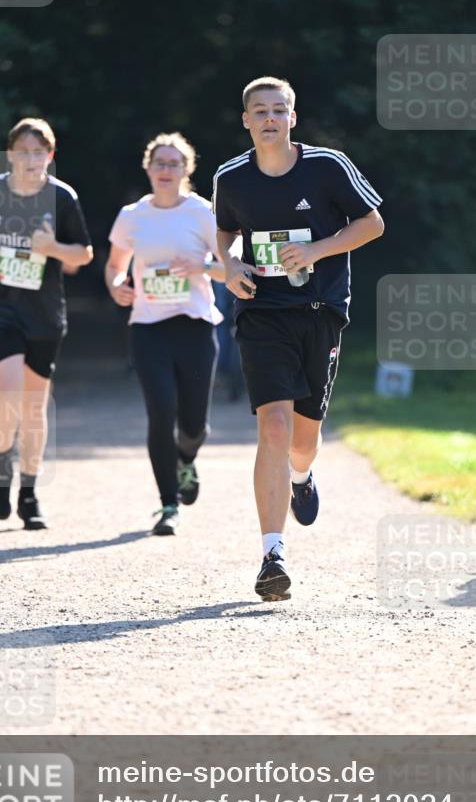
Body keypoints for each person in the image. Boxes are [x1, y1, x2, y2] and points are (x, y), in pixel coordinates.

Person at [213, 76, 384, 601]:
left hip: (320, 311)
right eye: (259, 111)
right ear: (245, 120)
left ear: (293, 117)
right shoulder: (231, 177)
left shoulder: (327, 166)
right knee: (274, 425)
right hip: (262, 313)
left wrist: (316, 251)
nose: (269, 118)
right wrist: (230, 263)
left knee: (303, 440)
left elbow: (372, 223)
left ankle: (302, 476)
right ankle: (272, 555)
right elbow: (223, 232)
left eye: (278, 109)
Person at [0, 117, 93, 529]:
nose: (32, 160)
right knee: (7, 392)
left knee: (33, 407)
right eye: (23, 152)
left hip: (45, 315)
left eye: (40, 152)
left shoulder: (61, 197)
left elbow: (83, 253)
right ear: (10, 154)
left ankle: (29, 493)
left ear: (50, 156)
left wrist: (53, 247)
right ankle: (1, 466)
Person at [105, 132, 224, 536]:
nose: (166, 170)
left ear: (187, 170)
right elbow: (115, 265)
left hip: (195, 325)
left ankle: (186, 458)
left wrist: (201, 267)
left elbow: (233, 267)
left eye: (175, 164)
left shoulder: (204, 213)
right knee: (161, 414)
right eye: (160, 163)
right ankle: (168, 504)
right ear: (148, 167)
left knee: (195, 425)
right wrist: (117, 284)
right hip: (148, 328)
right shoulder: (132, 215)